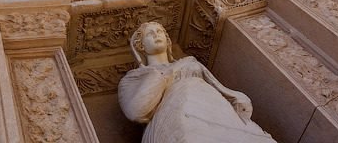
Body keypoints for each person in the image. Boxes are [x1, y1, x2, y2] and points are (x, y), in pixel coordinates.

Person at [117, 21, 273, 143]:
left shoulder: (190, 61)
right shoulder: (134, 78)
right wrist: (164, 75)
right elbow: (136, 110)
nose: (156, 35)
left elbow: (218, 87)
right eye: (150, 34)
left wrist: (235, 97)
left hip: (216, 109)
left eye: (159, 32)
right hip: (175, 116)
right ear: (141, 46)